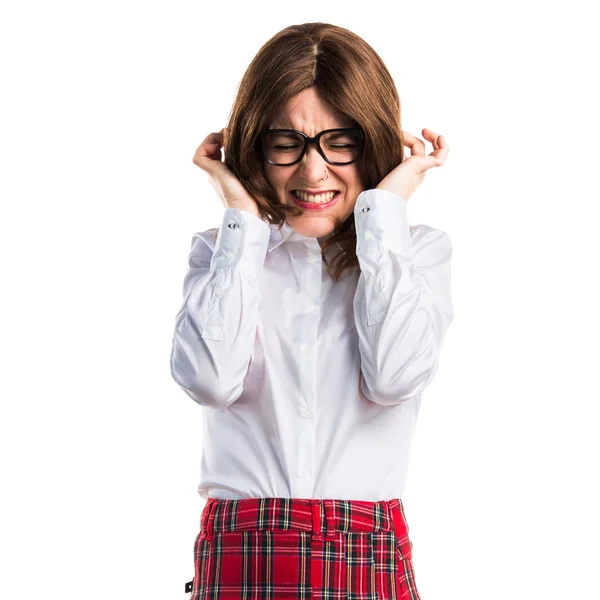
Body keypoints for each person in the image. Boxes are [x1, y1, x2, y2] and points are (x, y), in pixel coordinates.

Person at [170, 21, 452, 600]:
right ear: (254, 145)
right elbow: (206, 380)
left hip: (366, 558)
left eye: (340, 142)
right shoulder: (223, 252)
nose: (313, 171)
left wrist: (386, 215)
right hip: (240, 561)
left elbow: (396, 377)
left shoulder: (414, 252)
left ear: (372, 142)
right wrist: (240, 222)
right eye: (286, 144)